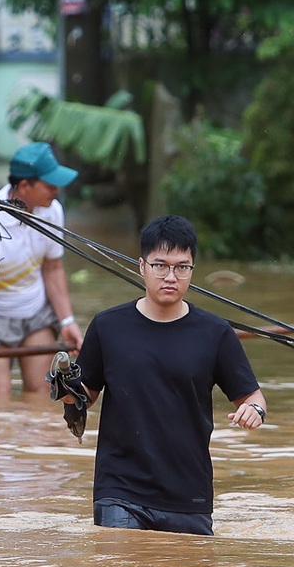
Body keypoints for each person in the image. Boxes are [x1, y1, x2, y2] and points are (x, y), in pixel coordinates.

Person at [68, 215, 266, 535]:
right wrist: (64, 387)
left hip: (188, 492)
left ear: (192, 271)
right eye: (160, 265)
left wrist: (254, 411)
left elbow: (253, 397)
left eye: (181, 267)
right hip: (120, 489)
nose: (170, 276)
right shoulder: (108, 326)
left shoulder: (215, 333)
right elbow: (83, 397)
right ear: (141, 266)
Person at [0, 141, 83, 400]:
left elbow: (52, 268)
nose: (56, 190)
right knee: (0, 393)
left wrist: (67, 321)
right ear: (24, 186)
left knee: (40, 392)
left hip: (34, 311)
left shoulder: (52, 212)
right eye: (49, 185)